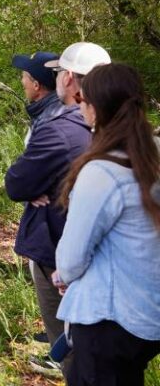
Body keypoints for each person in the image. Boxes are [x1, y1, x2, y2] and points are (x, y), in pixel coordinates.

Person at [53, 63, 160, 386]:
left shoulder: (102, 171)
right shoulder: (152, 154)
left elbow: (71, 259)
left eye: (82, 99)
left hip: (108, 319)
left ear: (95, 108)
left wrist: (64, 274)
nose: (80, 104)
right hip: (148, 315)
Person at [4, 51, 91, 377]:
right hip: (69, 240)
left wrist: (38, 185)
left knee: (69, 332)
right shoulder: (108, 125)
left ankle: (65, 365)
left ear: (67, 78)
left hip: (59, 241)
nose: (23, 82)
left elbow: (17, 181)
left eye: (25, 78)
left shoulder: (59, 126)